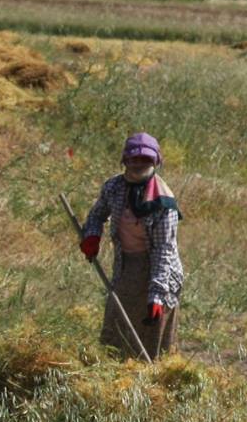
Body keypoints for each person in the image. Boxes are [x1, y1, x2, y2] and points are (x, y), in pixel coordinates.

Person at [77, 131, 184, 359]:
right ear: (124, 161)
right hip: (126, 266)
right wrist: (92, 236)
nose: (138, 164)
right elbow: (97, 215)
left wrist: (156, 295)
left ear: (155, 162)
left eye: (145, 159)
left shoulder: (163, 203)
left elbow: (163, 252)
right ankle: (112, 367)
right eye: (133, 159)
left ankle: (153, 378)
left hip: (157, 270)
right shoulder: (114, 188)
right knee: (117, 324)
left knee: (152, 327)